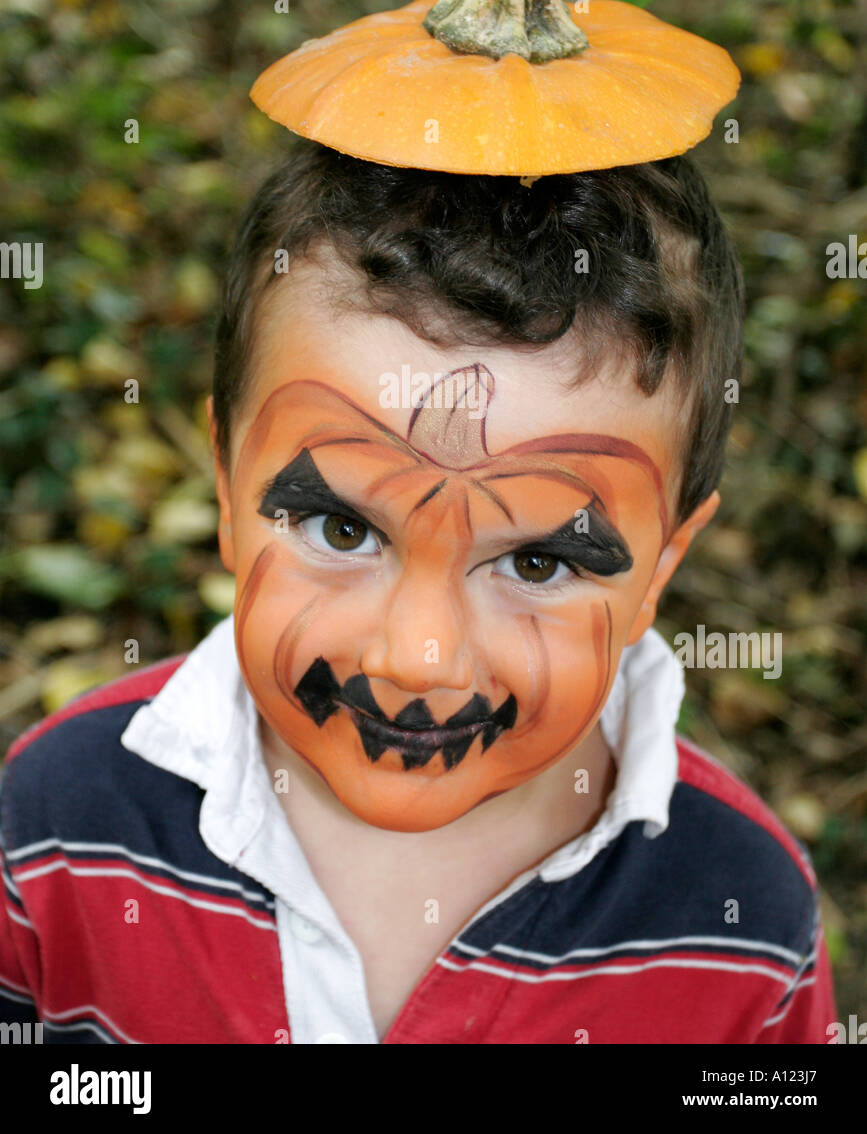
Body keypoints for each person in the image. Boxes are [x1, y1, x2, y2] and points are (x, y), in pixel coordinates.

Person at [0, 140, 837, 1044]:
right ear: (226, 489)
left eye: (536, 564)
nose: (419, 660)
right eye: (344, 529)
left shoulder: (742, 924)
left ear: (660, 571)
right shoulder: (53, 829)